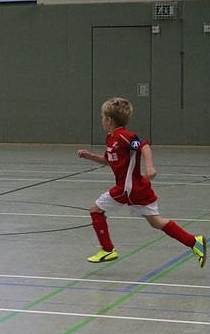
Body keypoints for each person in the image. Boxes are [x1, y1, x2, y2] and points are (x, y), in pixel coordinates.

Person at [77, 97, 205, 266]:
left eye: (102, 117)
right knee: (156, 222)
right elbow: (108, 160)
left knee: (95, 210)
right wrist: (89, 156)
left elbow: (144, 146)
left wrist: (150, 167)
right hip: (138, 189)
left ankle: (107, 250)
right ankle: (194, 242)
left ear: (108, 120)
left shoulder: (124, 136)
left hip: (127, 188)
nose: (102, 120)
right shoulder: (111, 138)